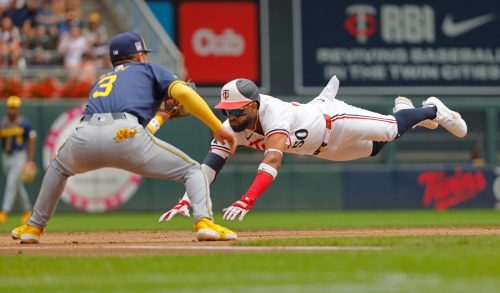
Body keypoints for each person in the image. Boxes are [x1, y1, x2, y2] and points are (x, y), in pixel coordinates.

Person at [11, 32, 238, 243]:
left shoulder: (102, 79)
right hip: (125, 133)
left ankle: (33, 227)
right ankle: (204, 222)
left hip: (84, 134)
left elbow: (118, 129)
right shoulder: (149, 70)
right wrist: (218, 127)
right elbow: (184, 93)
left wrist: (159, 118)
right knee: (193, 171)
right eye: (144, 55)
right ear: (140, 56)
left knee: (58, 168)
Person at [158, 75, 467, 222]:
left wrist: (248, 199)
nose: (231, 116)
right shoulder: (233, 128)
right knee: (376, 149)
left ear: (253, 105)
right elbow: (210, 164)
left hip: (334, 120)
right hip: (323, 149)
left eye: (237, 110)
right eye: (227, 110)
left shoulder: (273, 113)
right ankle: (405, 111)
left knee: (389, 129)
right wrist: (188, 200)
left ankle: (431, 110)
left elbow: (274, 160)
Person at [0, 96, 37, 225]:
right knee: (17, 184)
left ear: (18, 108)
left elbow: (32, 139)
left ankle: (4, 212)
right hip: (6, 155)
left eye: (15, 108)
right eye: (11, 107)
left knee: (11, 182)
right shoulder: (2, 123)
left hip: (19, 155)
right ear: (7, 108)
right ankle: (28, 211)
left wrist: (30, 160)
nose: (13, 110)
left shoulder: (24, 123)